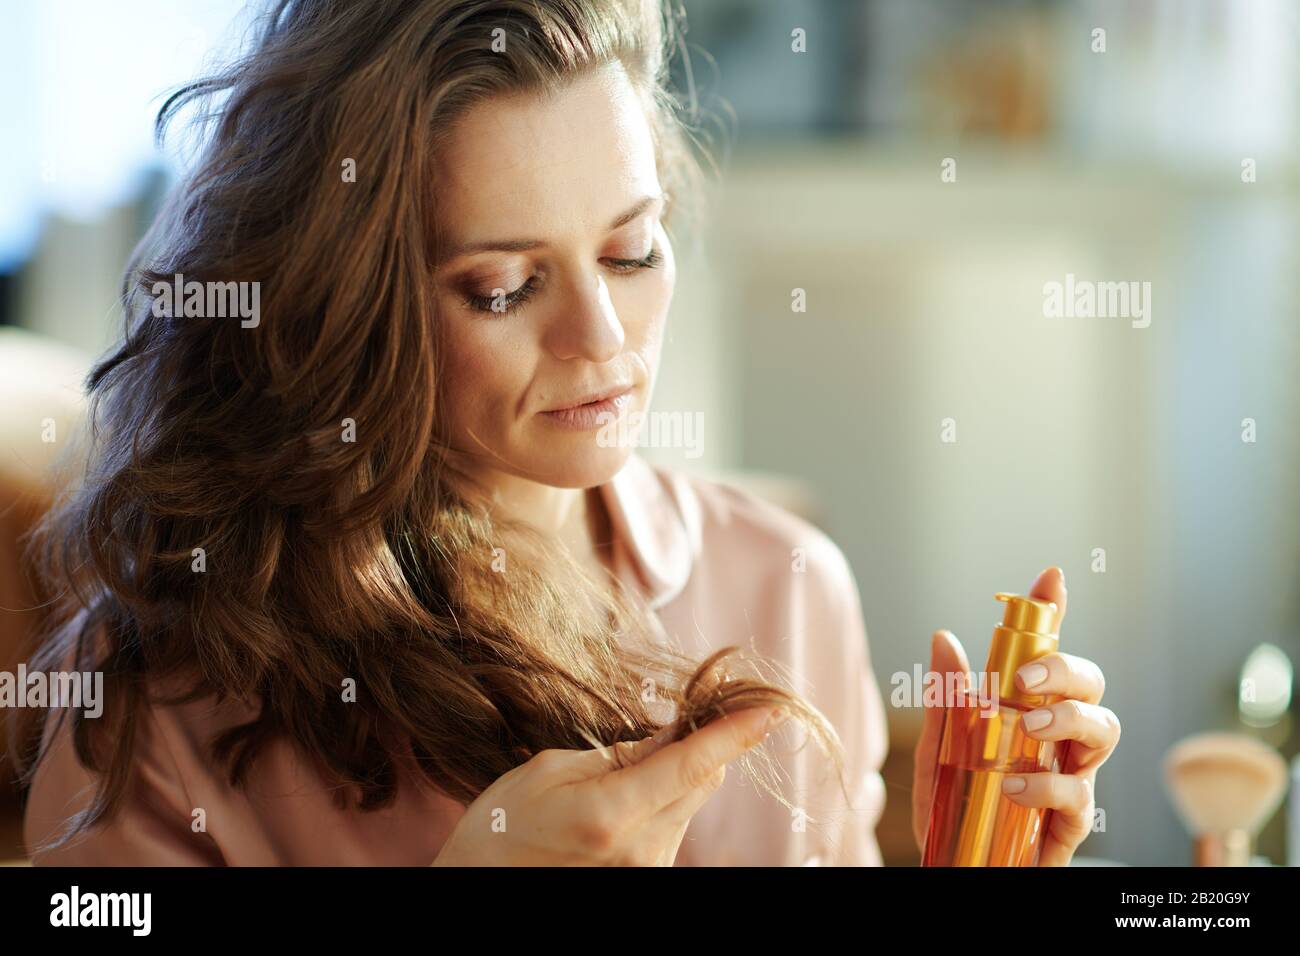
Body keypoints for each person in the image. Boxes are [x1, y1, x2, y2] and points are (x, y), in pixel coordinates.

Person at [17, 0, 1118, 866]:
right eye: (501, 286)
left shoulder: (785, 583)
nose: (601, 338)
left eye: (632, 250)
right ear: (347, 304)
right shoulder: (154, 689)